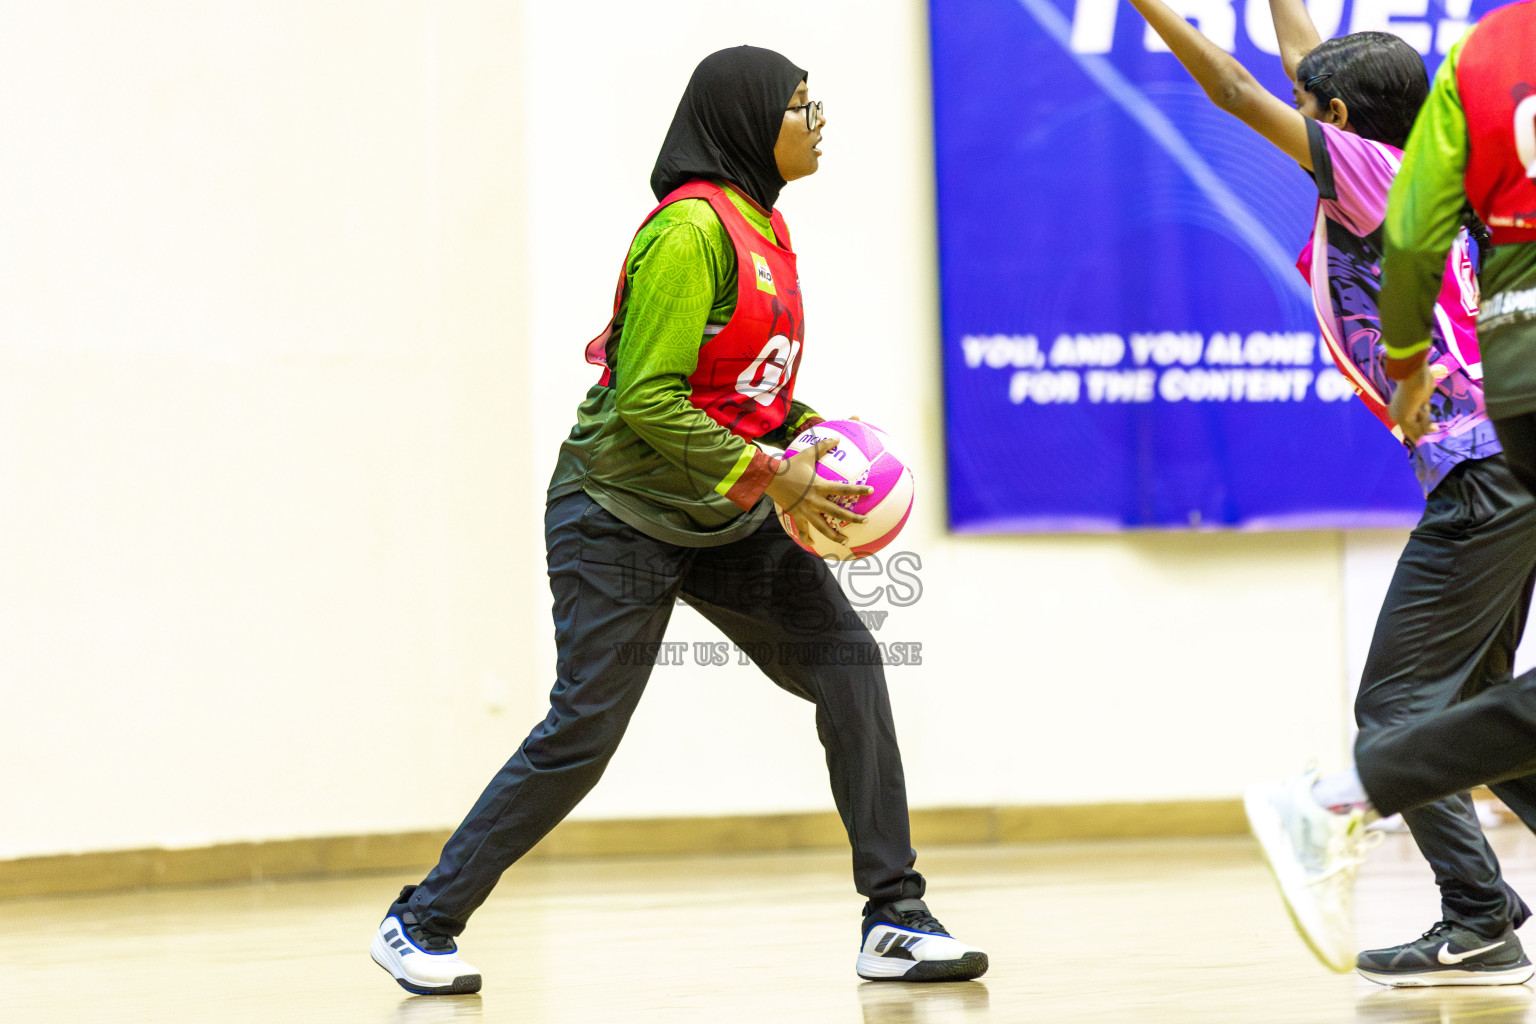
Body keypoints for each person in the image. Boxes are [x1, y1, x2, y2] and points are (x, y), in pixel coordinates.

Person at [366, 45, 987, 996]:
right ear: (746, 122)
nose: (817, 123)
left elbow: (737, 391)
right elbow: (652, 397)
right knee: (585, 732)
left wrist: (812, 432)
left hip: (721, 509)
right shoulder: (690, 231)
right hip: (615, 512)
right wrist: (773, 479)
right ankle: (420, 919)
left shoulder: (764, 231)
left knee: (851, 667)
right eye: (800, 107)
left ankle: (894, 919)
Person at [1125, 0, 1536, 985]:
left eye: (1306, 108)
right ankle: (1480, 916)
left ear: (1337, 120)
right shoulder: (1391, 163)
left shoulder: (1361, 175)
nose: (1290, 108)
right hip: (1504, 467)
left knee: (1395, 709)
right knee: (1469, 707)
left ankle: (1478, 913)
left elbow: (1231, 87)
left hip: (1479, 472)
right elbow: (1305, 55)